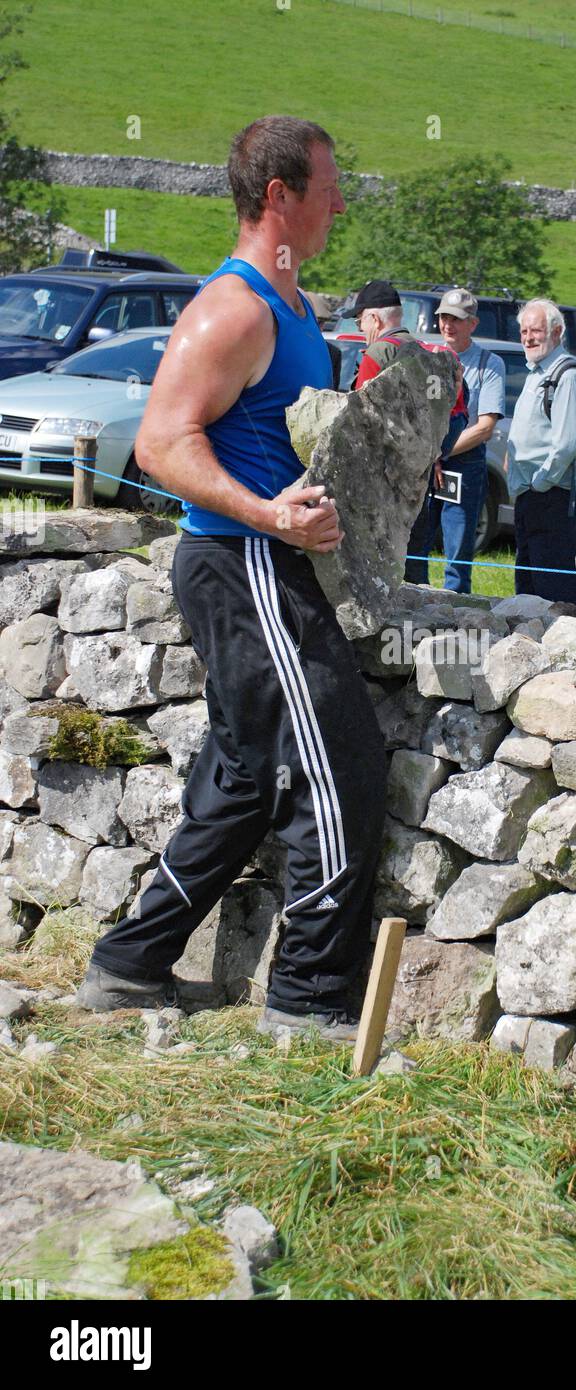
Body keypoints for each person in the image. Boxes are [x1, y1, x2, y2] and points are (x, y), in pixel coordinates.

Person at [74, 115, 387, 1045]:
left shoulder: (290, 306)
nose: (340, 200)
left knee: (247, 777)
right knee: (341, 771)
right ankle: (308, 1003)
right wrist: (270, 516)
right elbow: (164, 442)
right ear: (279, 195)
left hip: (256, 559)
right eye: (327, 184)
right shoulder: (235, 307)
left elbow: (275, 432)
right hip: (243, 561)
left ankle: (129, 964)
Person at [343, 279, 465, 584]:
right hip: (420, 484)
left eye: (360, 322)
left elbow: (362, 425)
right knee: (415, 573)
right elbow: (456, 418)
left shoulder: (376, 356)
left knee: (379, 573)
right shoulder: (426, 354)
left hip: (383, 488)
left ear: (374, 319)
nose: (361, 330)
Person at [408, 288, 506, 592]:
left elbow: (484, 427)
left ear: (473, 324)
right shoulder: (426, 357)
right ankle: (414, 606)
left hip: (464, 465)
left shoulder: (489, 364)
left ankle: (457, 617)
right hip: (427, 465)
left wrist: (441, 453)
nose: (448, 325)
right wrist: (431, 457)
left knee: (458, 555)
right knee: (415, 548)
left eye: (457, 319)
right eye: (444, 318)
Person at [506, 298, 576, 604]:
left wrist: (541, 481)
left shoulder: (567, 376)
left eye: (536, 330)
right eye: (524, 331)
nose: (529, 337)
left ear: (556, 332)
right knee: (528, 583)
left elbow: (568, 441)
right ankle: (528, 646)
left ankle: (560, 646)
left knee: (552, 587)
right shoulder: (536, 373)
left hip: (552, 495)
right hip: (531, 494)